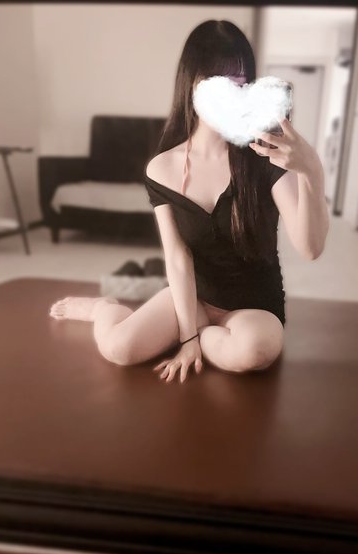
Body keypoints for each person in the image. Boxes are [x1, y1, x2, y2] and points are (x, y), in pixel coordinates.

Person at [49, 20, 329, 383]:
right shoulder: (162, 168)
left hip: (253, 306)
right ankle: (103, 309)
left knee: (256, 350)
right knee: (119, 349)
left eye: (241, 84)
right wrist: (187, 334)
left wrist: (311, 170)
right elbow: (178, 258)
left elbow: (310, 248)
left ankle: (204, 335)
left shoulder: (267, 156)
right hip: (193, 297)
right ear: (192, 85)